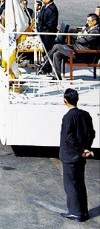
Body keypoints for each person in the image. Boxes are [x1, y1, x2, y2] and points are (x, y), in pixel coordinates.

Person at [59, 88, 95, 223]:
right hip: (82, 156)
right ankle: (84, 211)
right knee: (80, 183)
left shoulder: (68, 117)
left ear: (65, 100)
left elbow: (69, 138)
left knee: (71, 185)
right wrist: (86, 149)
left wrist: (80, 150)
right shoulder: (86, 115)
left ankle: (75, 212)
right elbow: (91, 133)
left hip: (70, 156)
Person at [45, 13, 100, 78]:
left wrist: (79, 37)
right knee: (57, 54)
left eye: (88, 21)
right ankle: (56, 76)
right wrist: (80, 34)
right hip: (77, 48)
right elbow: (82, 33)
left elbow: (83, 40)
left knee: (57, 46)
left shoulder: (96, 31)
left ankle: (45, 64)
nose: (87, 22)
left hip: (83, 53)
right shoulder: (89, 27)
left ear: (94, 21)